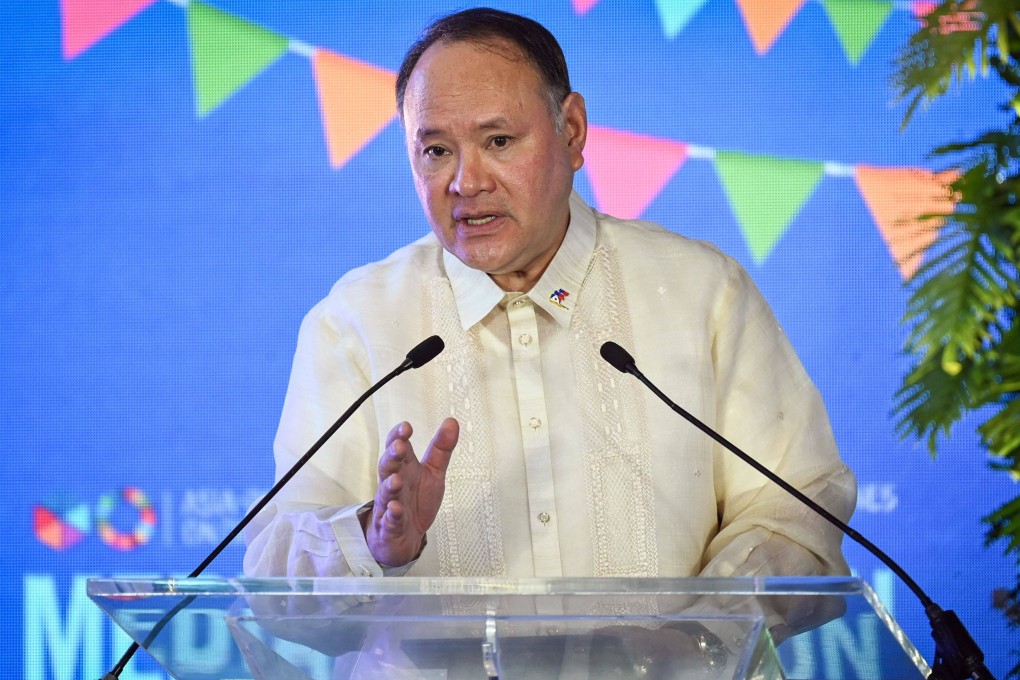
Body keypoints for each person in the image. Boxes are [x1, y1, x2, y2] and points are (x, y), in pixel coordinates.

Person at [244, 6, 855, 589]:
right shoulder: (356, 322)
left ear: (572, 131)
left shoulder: (702, 293)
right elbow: (271, 563)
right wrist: (373, 542)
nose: (466, 181)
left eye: (500, 141)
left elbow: (795, 510)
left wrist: (694, 635)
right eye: (436, 151)